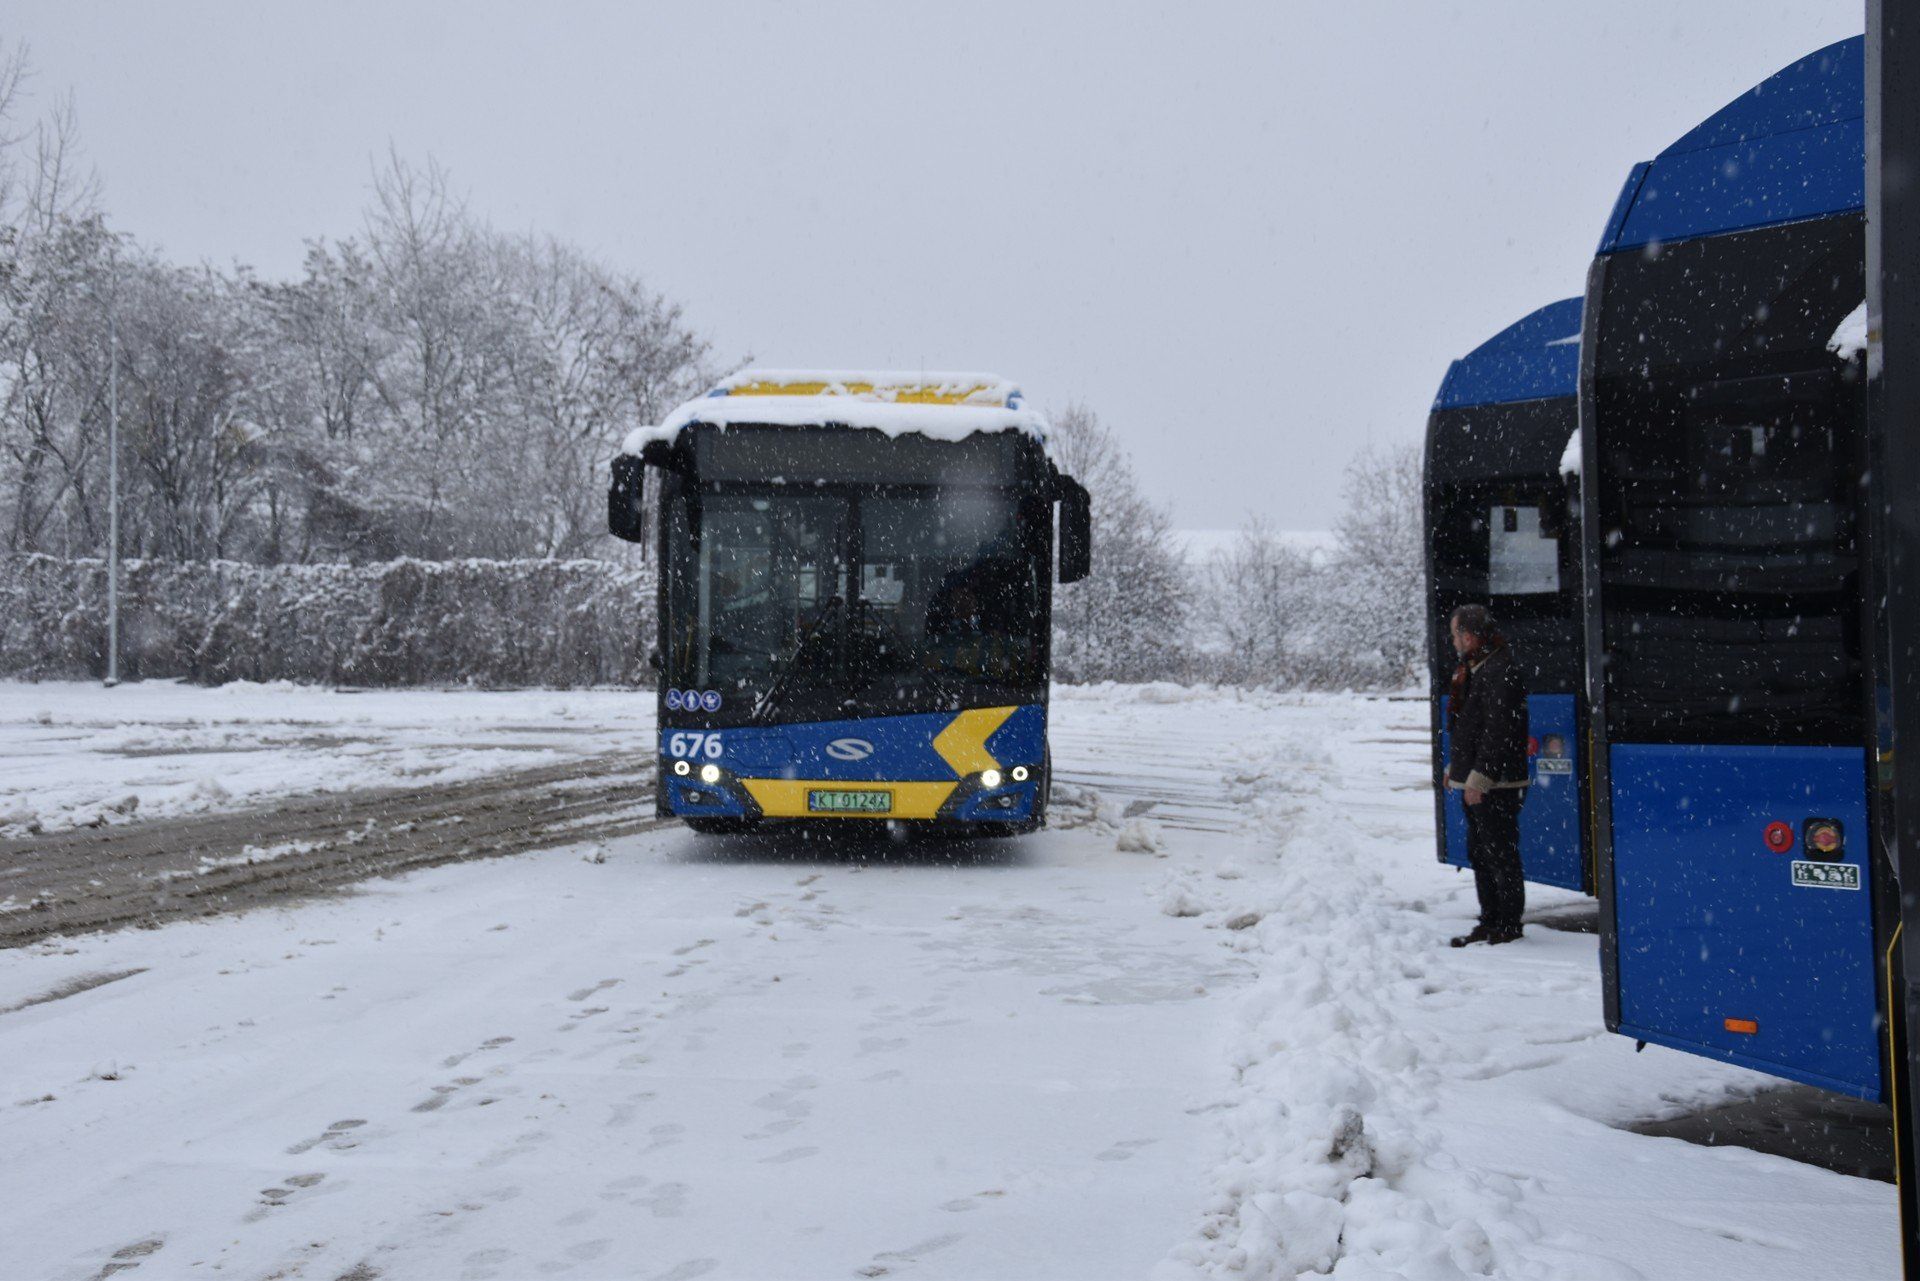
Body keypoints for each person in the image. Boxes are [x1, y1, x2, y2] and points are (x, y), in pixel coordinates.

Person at [1444, 603, 1530, 946]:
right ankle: (1490, 919)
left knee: (1500, 854)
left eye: (1454, 635)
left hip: (1498, 783)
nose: (1452, 643)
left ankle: (1508, 924)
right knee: (1481, 852)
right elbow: (1470, 727)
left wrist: (1480, 777)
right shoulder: (1474, 669)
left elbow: (1499, 731)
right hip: (1478, 778)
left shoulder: (1500, 670)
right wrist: (1458, 769)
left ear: (1468, 635)